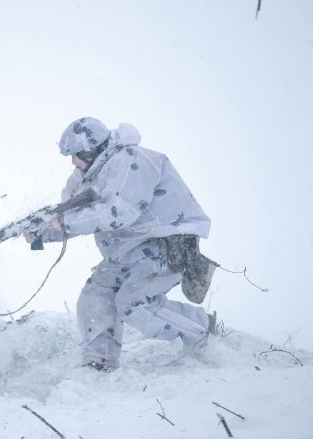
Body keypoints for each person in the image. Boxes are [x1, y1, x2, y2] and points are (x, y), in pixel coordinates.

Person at [27, 117, 217, 371]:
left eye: (75, 154)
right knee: (94, 298)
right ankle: (99, 361)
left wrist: (61, 226)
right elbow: (70, 216)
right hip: (127, 250)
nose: (72, 161)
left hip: (165, 241)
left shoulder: (130, 160)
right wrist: (43, 231)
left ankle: (203, 332)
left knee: (133, 304)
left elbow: (117, 214)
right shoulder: (84, 175)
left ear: (90, 149)